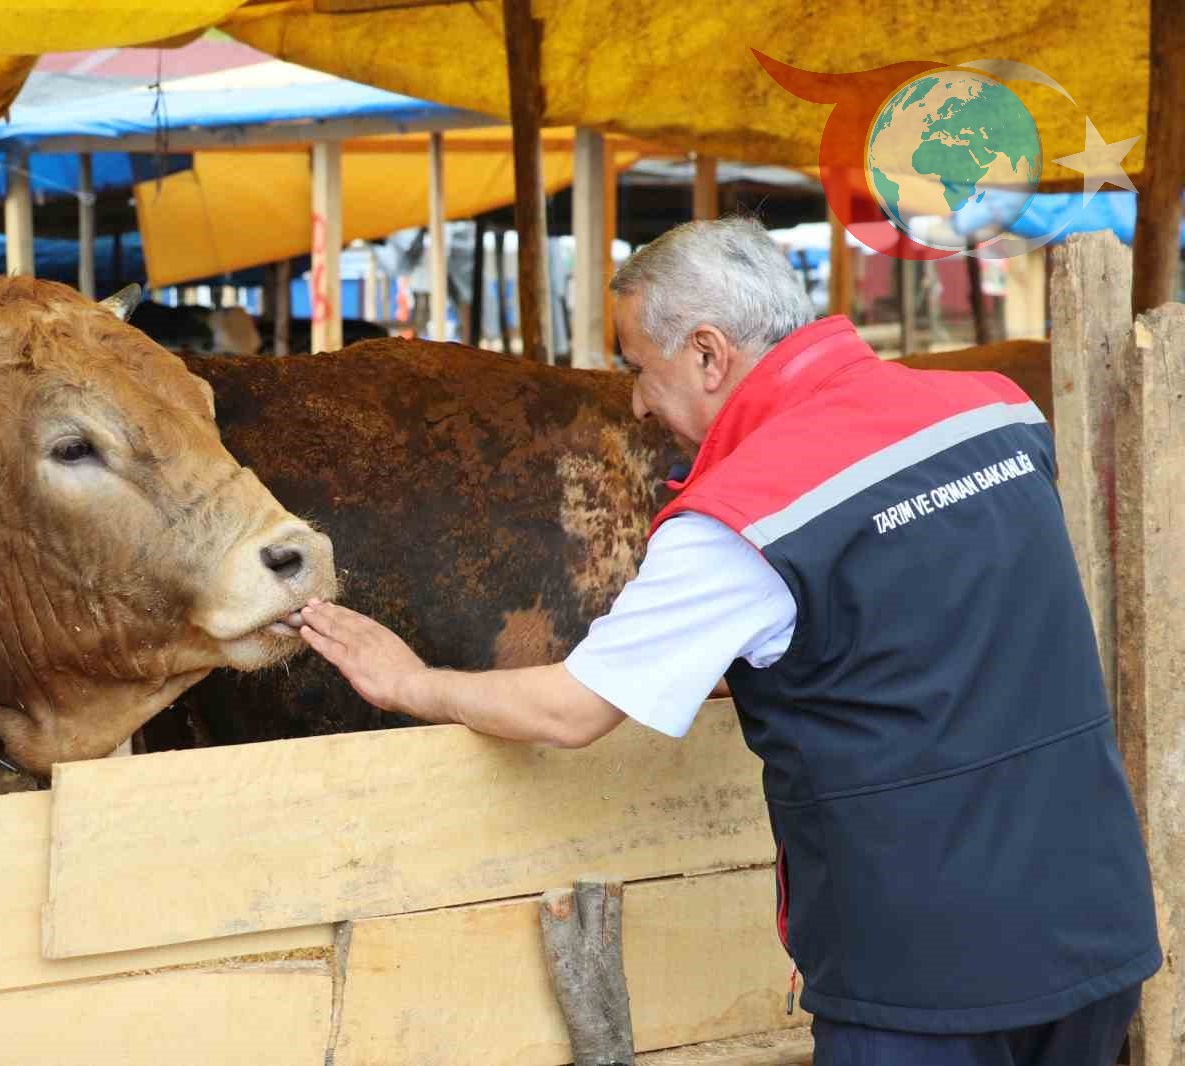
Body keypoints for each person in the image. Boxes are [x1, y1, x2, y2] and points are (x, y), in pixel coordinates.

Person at [297, 215, 1160, 1066]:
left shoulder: (743, 517)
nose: (637, 400)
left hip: (924, 981)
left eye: (639, 366)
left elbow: (568, 711)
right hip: (1095, 921)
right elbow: (928, 615)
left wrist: (409, 681)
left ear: (708, 354)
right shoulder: (996, 414)